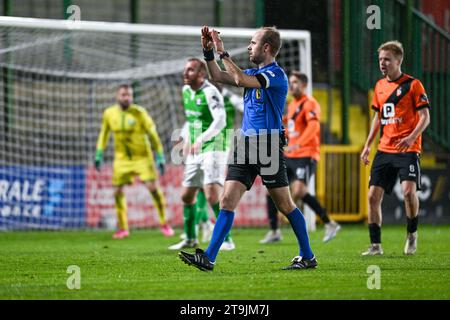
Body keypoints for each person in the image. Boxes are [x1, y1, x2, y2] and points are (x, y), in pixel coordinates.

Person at [178, 26, 317, 271]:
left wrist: (223, 53)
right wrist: (208, 52)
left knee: (285, 205)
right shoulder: (253, 72)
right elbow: (217, 77)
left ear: (266, 47)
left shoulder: (276, 75)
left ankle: (307, 256)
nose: (249, 47)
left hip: (268, 145)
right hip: (245, 143)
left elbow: (240, 79)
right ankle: (209, 257)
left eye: (253, 43)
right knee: (227, 200)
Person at [360, 40, 430, 256]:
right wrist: (367, 145)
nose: (382, 63)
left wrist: (411, 138)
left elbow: (425, 117)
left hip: (407, 149)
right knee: (372, 197)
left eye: (387, 59)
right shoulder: (379, 86)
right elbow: (377, 117)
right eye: (380, 59)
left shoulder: (413, 85)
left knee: (408, 193)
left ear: (398, 61)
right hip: (384, 148)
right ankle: (375, 246)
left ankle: (411, 234)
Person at [260, 72, 341, 244]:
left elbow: (313, 127)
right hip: (289, 154)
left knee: (297, 190)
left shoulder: (310, 103)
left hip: (306, 154)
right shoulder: (292, 105)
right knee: (271, 190)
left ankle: (326, 222)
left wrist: (298, 144)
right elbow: (290, 129)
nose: (292, 86)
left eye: (295, 82)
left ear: (304, 84)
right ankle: (275, 231)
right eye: (290, 83)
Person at [95, 84, 174, 239]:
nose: (127, 98)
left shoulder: (140, 113)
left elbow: (153, 135)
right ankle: (123, 228)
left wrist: (160, 156)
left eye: (129, 95)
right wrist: (99, 153)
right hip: (121, 159)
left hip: (142, 157)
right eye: (124, 95)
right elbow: (103, 134)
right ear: (117, 96)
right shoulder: (109, 113)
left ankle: (164, 223)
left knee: (153, 188)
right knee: (117, 191)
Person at [168, 58, 230, 250]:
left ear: (201, 74)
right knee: (187, 195)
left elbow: (221, 121)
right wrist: (187, 140)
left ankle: (226, 240)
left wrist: (201, 139)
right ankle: (190, 238)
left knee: (212, 195)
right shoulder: (186, 90)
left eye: (191, 70)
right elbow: (191, 120)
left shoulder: (210, 92)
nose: (185, 73)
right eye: (185, 69)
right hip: (196, 148)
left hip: (214, 146)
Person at [180, 84, 244, 246]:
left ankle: (221, 234)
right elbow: (193, 119)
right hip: (199, 145)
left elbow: (245, 107)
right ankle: (198, 228)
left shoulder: (229, 98)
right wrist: (187, 138)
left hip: (219, 145)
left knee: (210, 191)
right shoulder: (202, 93)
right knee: (198, 189)